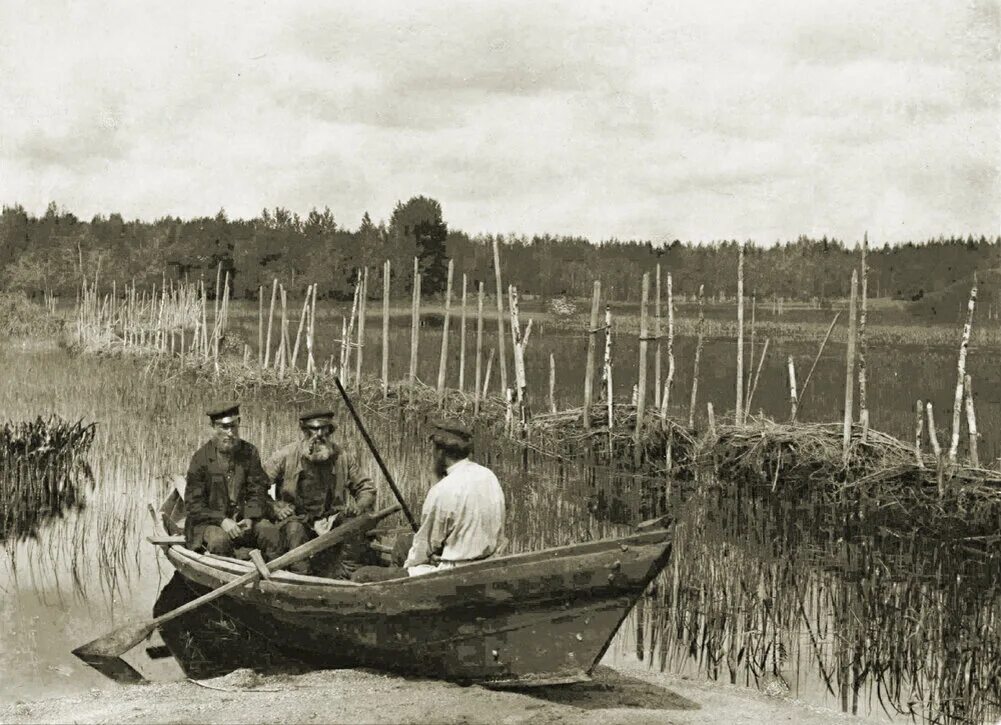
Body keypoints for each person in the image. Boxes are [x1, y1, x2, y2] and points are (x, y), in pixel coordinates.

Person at [264, 408, 377, 578]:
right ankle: (299, 578)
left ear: (330, 430)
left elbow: (366, 488)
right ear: (304, 430)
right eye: (314, 429)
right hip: (295, 518)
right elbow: (256, 487)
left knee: (353, 524)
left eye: (324, 429)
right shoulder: (286, 455)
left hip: (330, 519)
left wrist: (359, 506)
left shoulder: (343, 457)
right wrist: (275, 507)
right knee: (295, 530)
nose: (319, 435)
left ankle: (346, 576)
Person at [404, 419, 506, 576]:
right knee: (402, 545)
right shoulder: (488, 476)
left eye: (433, 450)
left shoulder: (442, 490)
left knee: (365, 573)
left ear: (440, 453)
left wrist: (406, 568)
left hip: (454, 574)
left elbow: (424, 547)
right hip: (488, 563)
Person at [183, 403, 281, 561]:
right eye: (224, 427)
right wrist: (222, 520)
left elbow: (258, 490)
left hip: (243, 519)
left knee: (270, 532)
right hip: (210, 523)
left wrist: (250, 516)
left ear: (239, 422)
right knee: (219, 541)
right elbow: (193, 504)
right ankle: (228, 576)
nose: (230, 433)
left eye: (233, 426)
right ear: (213, 427)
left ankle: (275, 576)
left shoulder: (249, 452)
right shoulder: (200, 459)